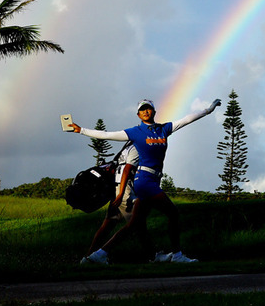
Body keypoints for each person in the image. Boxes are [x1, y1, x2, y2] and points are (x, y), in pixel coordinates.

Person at [68, 97, 221, 265]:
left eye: (148, 109)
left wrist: (208, 110)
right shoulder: (136, 132)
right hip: (144, 181)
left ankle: (99, 255)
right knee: (173, 213)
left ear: (154, 112)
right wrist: (80, 130)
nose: (146, 111)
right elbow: (106, 135)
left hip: (153, 180)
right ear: (138, 114)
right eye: (142, 110)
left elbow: (185, 120)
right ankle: (177, 255)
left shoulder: (163, 129)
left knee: (134, 224)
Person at [81, 142, 153, 262]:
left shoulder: (128, 146)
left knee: (107, 225)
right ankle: (153, 256)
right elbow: (127, 170)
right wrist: (120, 195)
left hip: (117, 188)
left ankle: (88, 257)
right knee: (137, 223)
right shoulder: (137, 147)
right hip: (124, 190)